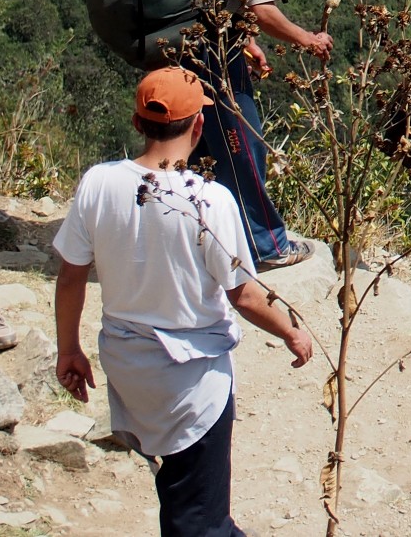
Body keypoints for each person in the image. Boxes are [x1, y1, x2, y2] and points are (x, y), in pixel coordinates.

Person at [53, 67, 315, 537]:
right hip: (192, 382)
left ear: (138, 125)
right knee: (197, 519)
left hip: (129, 368)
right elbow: (244, 294)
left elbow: (71, 276)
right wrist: (291, 331)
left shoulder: (98, 183)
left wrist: (68, 349)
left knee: (183, 494)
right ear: (199, 126)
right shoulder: (209, 200)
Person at [211, 0, 333, 271]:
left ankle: (196, 239)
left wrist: (246, 42)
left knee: (199, 151)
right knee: (245, 147)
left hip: (213, 46)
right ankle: (265, 245)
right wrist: (307, 38)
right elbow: (262, 9)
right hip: (212, 56)